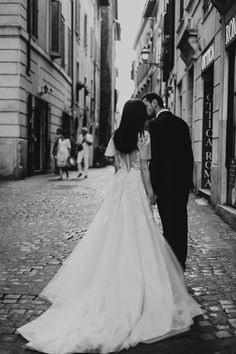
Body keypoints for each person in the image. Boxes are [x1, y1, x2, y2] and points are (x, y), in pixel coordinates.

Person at [17, 99, 201, 354]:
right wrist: (150, 194)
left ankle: (110, 280)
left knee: (114, 233)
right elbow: (145, 169)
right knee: (141, 235)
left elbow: (116, 167)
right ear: (139, 116)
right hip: (136, 186)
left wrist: (123, 181)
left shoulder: (117, 136)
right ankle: (141, 287)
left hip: (120, 188)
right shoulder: (143, 136)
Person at [142, 92, 194, 271]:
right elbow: (189, 156)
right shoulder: (182, 124)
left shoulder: (154, 126)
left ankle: (170, 266)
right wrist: (188, 183)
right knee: (181, 223)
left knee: (169, 225)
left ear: (154, 103)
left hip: (164, 186)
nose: (145, 109)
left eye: (146, 105)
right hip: (181, 185)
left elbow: (154, 161)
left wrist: (153, 189)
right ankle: (180, 262)